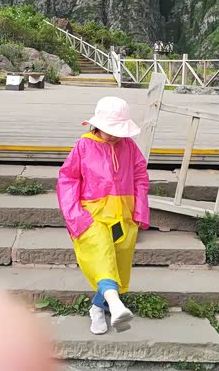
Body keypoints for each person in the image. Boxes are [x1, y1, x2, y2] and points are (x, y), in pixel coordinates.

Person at [57, 96, 150, 335]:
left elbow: (140, 175)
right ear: (97, 125)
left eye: (119, 131)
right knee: (100, 252)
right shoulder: (84, 146)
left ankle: (99, 307)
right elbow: (68, 179)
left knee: (115, 261)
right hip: (92, 214)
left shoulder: (129, 146)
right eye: (111, 130)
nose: (115, 136)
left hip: (123, 215)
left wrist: (139, 210)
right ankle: (116, 305)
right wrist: (75, 215)